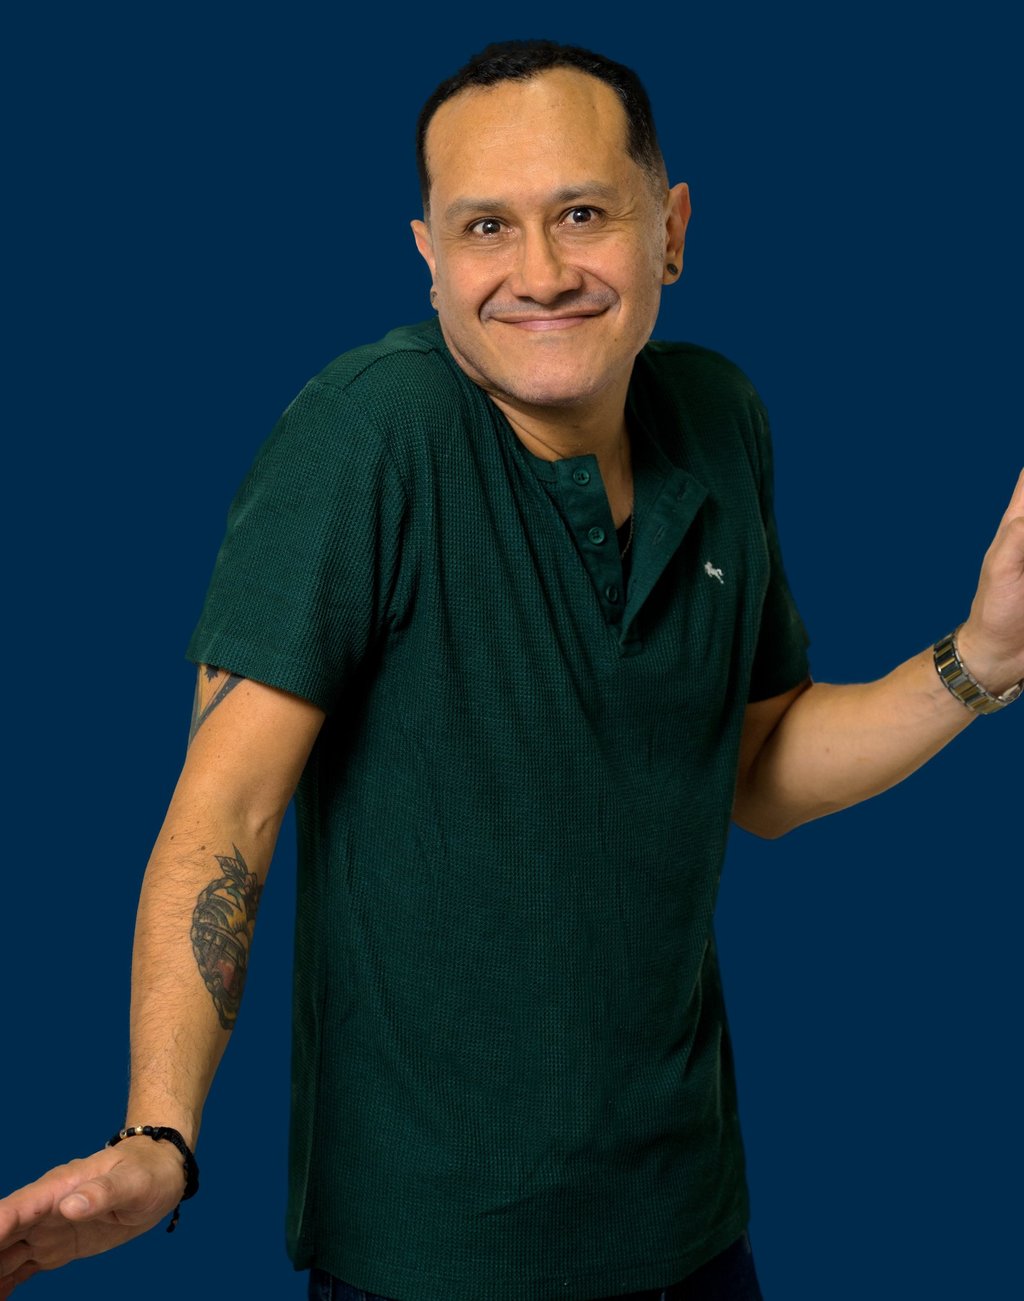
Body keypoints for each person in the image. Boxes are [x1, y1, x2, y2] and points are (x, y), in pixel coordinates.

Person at [0, 37, 1021, 1301]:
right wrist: (160, 1132)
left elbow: (756, 767)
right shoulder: (370, 433)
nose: (539, 273)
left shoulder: (718, 416)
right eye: (487, 227)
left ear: (670, 230)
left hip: (689, 1224)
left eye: (583, 214)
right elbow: (227, 812)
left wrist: (985, 654)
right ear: (429, 256)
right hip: (435, 1254)